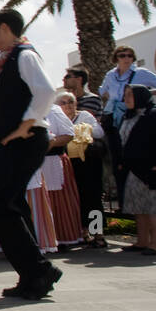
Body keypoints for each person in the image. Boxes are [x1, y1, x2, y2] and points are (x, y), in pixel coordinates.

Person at [0, 11, 63, 301]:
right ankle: (33, 274)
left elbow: (46, 91)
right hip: (13, 140)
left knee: (0, 201)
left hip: (24, 139)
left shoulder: (24, 56)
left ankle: (38, 269)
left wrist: (25, 124)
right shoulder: (4, 62)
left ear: (5, 28)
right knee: (10, 202)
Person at [115, 85, 156, 255]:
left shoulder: (155, 116)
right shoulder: (127, 117)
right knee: (139, 206)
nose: (126, 98)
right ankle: (142, 241)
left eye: (130, 95)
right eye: (125, 94)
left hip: (152, 169)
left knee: (155, 207)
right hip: (134, 171)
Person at [57, 90, 107, 248]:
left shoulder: (84, 116)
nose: (68, 105)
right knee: (75, 198)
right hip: (68, 164)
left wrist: (83, 130)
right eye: (63, 102)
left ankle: (98, 234)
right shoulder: (57, 118)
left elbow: (99, 132)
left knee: (92, 197)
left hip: (88, 163)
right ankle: (83, 232)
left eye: (71, 101)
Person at [99, 45, 156, 128]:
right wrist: (113, 99)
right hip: (112, 117)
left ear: (133, 58)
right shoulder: (111, 75)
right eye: (122, 56)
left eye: (130, 55)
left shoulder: (141, 73)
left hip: (134, 117)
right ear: (116, 58)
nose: (126, 58)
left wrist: (143, 93)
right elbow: (102, 91)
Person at [42, 101, 84, 248]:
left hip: (54, 159)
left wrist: (51, 143)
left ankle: (63, 236)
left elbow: (68, 134)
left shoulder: (54, 110)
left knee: (59, 199)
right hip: (35, 162)